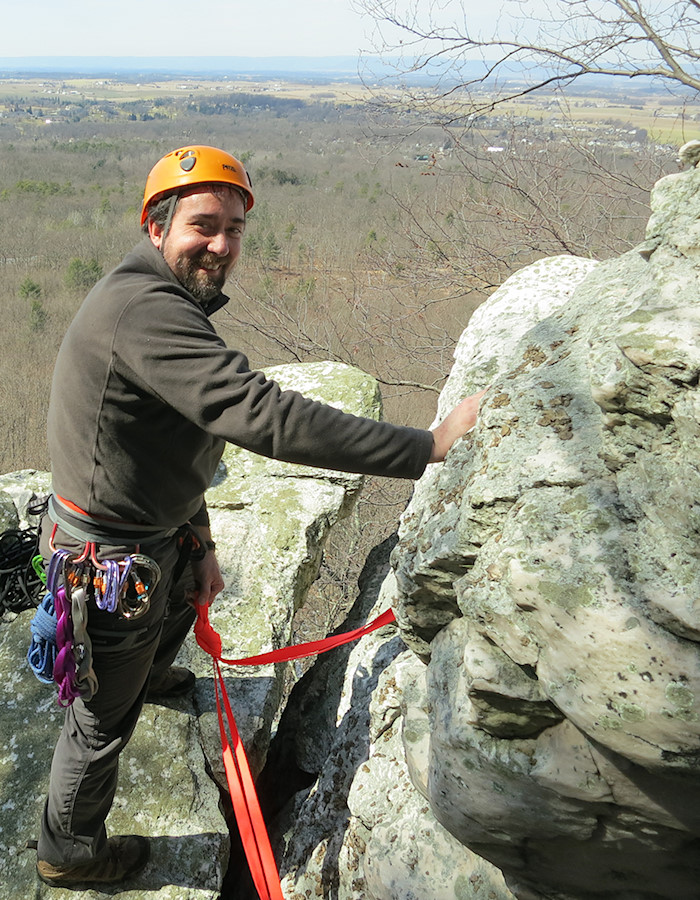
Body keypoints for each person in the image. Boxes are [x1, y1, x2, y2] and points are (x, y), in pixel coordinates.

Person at [34, 145, 483, 887]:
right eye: (204, 225)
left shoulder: (164, 301)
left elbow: (175, 439)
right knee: (97, 725)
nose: (222, 244)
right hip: (109, 558)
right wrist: (426, 446)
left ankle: (143, 672)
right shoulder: (145, 312)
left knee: (176, 600)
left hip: (149, 532)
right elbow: (260, 415)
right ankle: (68, 850)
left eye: (235, 229)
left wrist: (200, 539)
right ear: (155, 226)